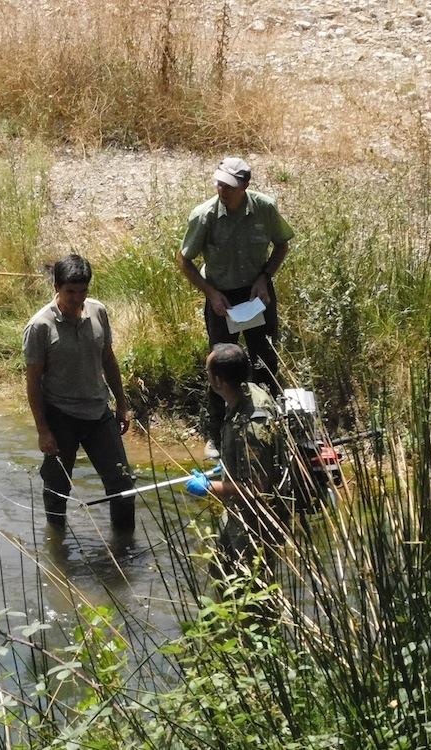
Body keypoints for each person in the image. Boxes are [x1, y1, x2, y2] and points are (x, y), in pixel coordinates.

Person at [177, 156, 295, 460]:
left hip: (257, 296)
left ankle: (269, 429)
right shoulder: (203, 216)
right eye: (218, 182)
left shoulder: (264, 208)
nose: (221, 189)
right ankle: (215, 436)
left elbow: (282, 244)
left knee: (265, 362)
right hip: (222, 300)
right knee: (220, 367)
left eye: (228, 185)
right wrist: (211, 293)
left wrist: (265, 278)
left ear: (244, 186)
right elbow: (184, 260)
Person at [23, 254, 135, 531]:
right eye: (70, 292)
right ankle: (57, 547)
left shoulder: (97, 312)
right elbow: (33, 382)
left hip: (99, 412)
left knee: (122, 483)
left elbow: (108, 359)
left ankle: (125, 547)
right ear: (57, 289)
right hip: (61, 417)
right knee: (57, 488)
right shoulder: (39, 326)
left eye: (83, 291)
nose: (77, 298)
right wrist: (43, 430)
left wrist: (121, 404)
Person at [185, 343, 289, 577]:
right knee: (219, 571)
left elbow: (255, 488)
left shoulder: (251, 426)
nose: (207, 378)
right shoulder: (248, 391)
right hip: (234, 512)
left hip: (254, 521)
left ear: (219, 381)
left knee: (251, 586)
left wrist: (208, 486)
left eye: (208, 373)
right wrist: (229, 465)